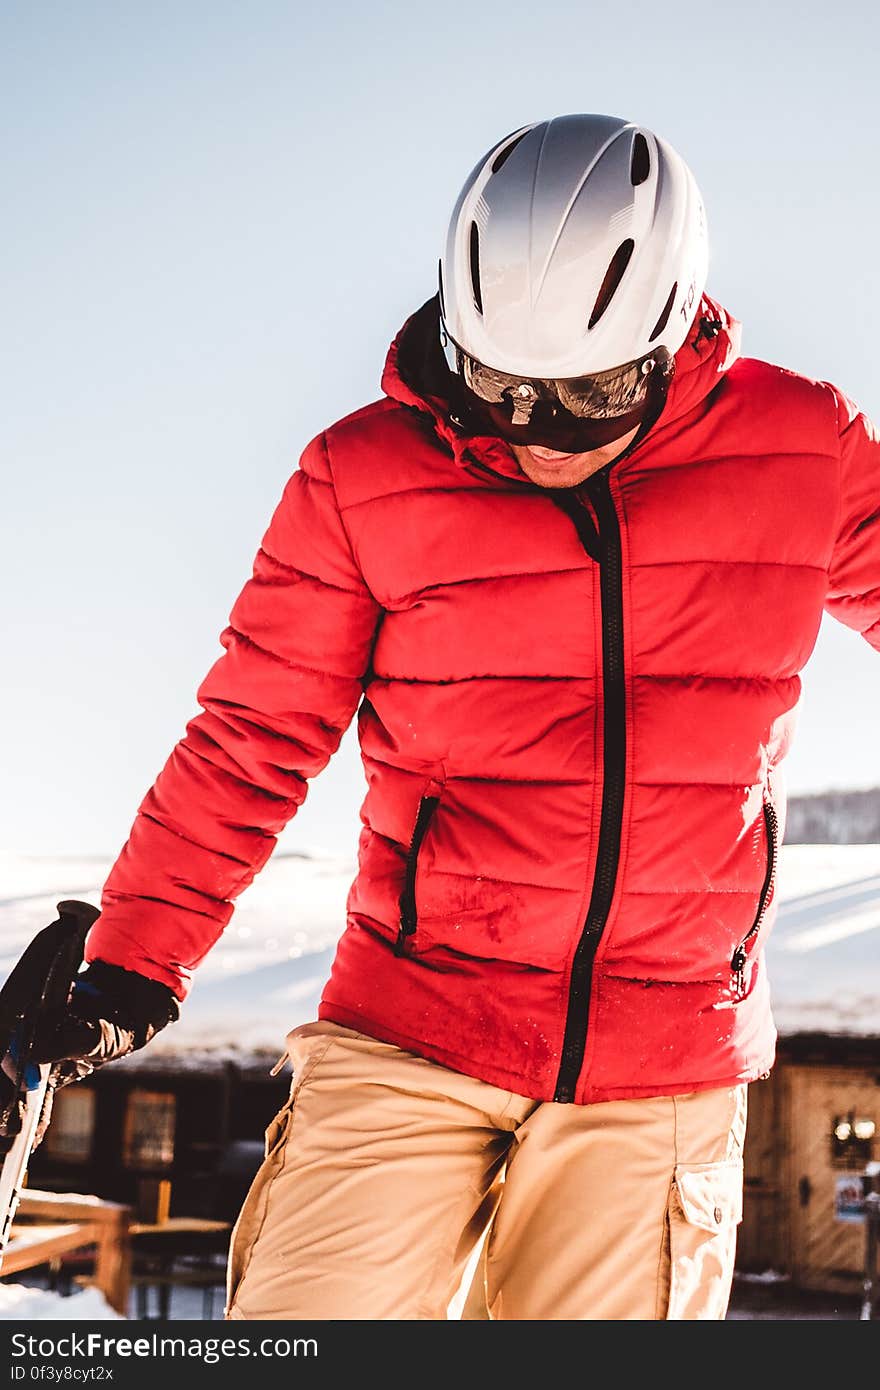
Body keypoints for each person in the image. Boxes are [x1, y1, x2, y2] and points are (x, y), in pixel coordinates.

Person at [31, 112, 880, 1320]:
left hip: (660, 1062)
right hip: (409, 1026)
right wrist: (130, 959)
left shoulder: (802, 448)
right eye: (498, 388)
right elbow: (249, 738)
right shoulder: (361, 479)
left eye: (584, 397)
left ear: (675, 324)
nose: (533, 436)